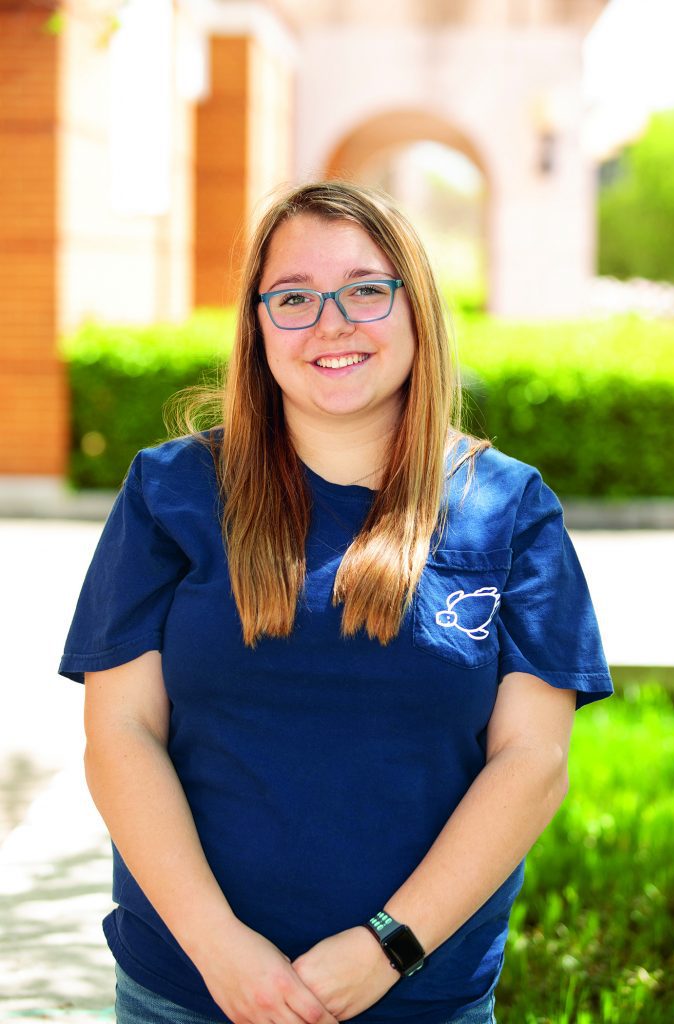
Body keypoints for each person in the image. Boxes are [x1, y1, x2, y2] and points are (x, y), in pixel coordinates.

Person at [58, 179, 614, 1024]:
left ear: (415, 307)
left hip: (424, 997)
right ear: (256, 324)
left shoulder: (510, 507)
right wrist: (221, 950)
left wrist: (389, 945)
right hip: (190, 992)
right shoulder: (168, 492)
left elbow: (531, 765)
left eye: (365, 289)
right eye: (294, 297)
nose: (332, 323)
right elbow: (121, 735)